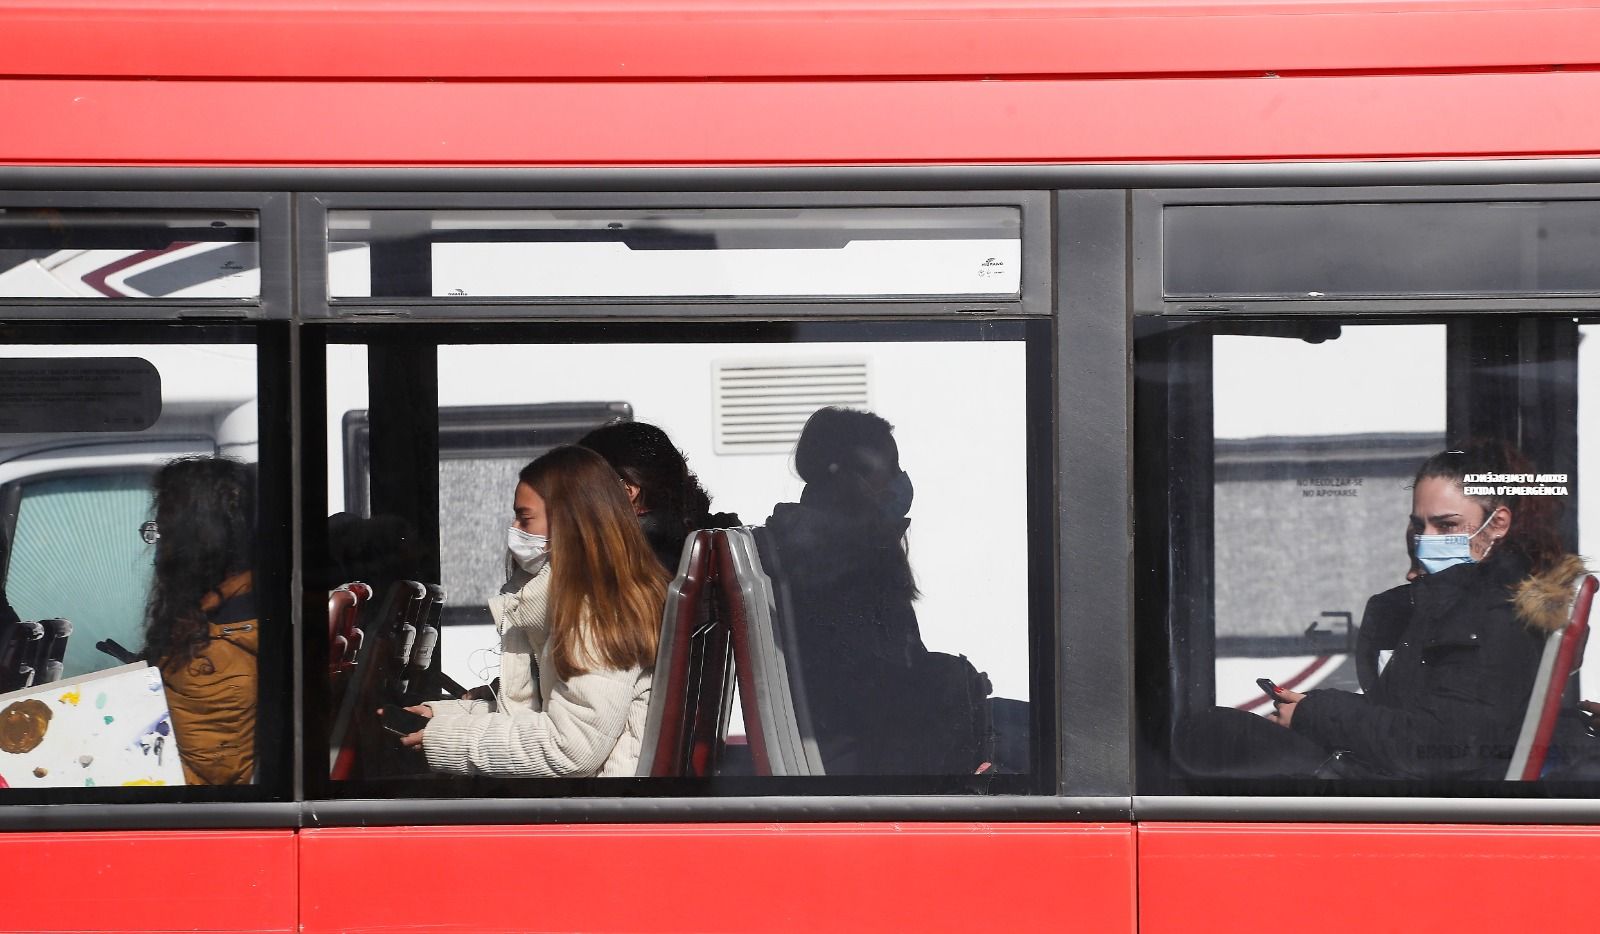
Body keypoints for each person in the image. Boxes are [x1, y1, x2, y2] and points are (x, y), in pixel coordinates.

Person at [1180, 441, 1589, 781]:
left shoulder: (1495, 616)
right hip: (1388, 774)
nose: (1425, 539)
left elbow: (1437, 748)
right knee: (1216, 732)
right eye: (1418, 525)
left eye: (1446, 526)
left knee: (1212, 735)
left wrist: (1316, 712)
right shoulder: (1457, 603)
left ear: (1497, 524)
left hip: (1411, 793)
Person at [396, 445, 668, 777]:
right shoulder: (587, 601)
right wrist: (441, 718)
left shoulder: (599, 613)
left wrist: (445, 738)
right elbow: (535, 714)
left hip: (597, 815)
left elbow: (569, 748)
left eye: (525, 518)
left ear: (571, 524)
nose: (514, 530)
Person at [763, 406, 989, 775]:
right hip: (865, 754)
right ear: (856, 477)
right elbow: (872, 686)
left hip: (857, 741)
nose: (901, 479)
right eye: (893, 466)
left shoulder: (812, 542)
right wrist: (955, 681)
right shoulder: (844, 558)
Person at [142, 457, 260, 785]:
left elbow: (202, 781)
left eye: (163, 532)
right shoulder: (221, 614)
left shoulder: (214, 656)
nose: (158, 550)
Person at [578, 421, 739, 572]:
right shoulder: (713, 540)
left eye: (583, 489)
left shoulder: (622, 567)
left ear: (628, 491)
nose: (573, 504)